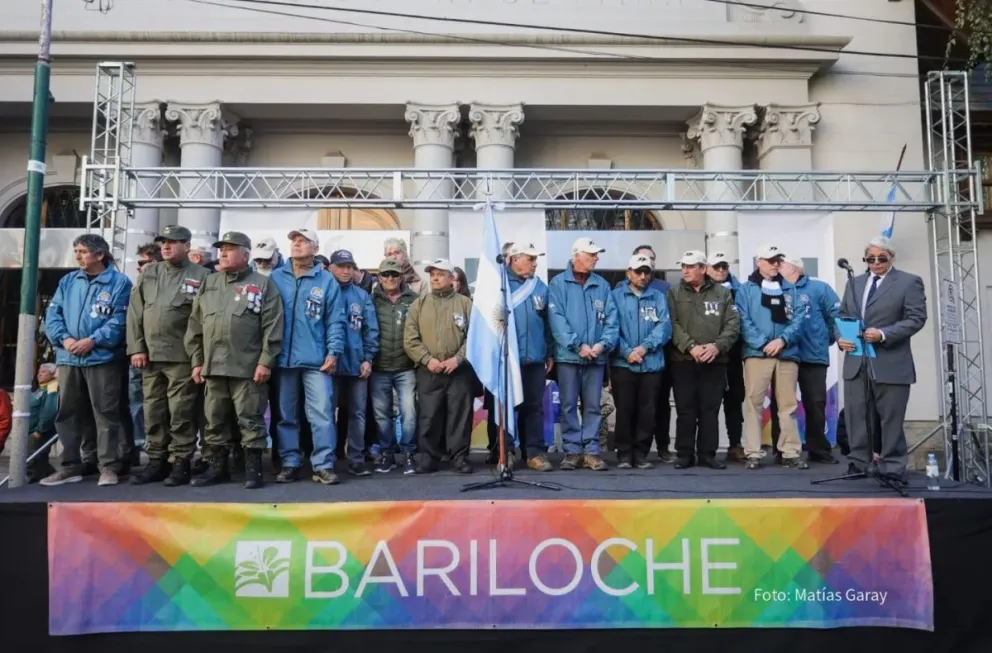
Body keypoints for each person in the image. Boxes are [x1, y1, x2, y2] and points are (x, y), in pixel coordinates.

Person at [184, 231, 284, 489]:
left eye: (230, 248)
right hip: (214, 366)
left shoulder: (263, 285)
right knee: (214, 419)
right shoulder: (210, 282)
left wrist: (265, 361)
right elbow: (196, 324)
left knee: (250, 419)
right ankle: (218, 468)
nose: (223, 253)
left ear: (246, 254)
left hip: (247, 367)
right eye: (221, 249)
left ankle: (253, 470)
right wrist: (197, 361)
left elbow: (272, 326)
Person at [40, 234, 133, 487]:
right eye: (76, 251)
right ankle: (70, 465)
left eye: (82, 251)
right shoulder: (68, 281)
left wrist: (93, 340)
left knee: (106, 413)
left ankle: (109, 467)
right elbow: (53, 314)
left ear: (99, 254)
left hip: (102, 358)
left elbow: (120, 320)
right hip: (69, 358)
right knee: (68, 413)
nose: (78, 256)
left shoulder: (119, 282)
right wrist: (65, 339)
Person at [837, 236, 927, 484]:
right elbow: (842, 316)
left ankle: (891, 467)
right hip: (857, 361)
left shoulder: (909, 282)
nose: (875, 263)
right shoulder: (854, 283)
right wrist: (840, 337)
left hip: (891, 361)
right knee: (857, 416)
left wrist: (884, 334)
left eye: (881, 258)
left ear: (891, 258)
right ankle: (859, 462)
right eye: (870, 259)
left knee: (890, 418)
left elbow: (916, 318)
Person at [127, 226, 210, 486]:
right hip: (151, 355)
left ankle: (181, 461)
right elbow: (135, 313)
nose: (166, 246)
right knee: (153, 410)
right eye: (163, 242)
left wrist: (198, 359)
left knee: (181, 412)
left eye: (173, 242)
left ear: (187, 245)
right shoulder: (150, 273)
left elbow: (205, 321)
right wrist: (136, 347)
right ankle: (156, 460)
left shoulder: (203, 276)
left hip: (182, 356)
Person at [271, 229, 345, 485]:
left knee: (322, 414)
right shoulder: (276, 277)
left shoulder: (326, 281)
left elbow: (336, 320)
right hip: (283, 360)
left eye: (303, 241)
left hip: (316, 361)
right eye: (294, 241)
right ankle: (290, 462)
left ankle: (323, 465)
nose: (297, 245)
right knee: (285, 415)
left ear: (315, 248)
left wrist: (333, 352)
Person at [548, 237, 619, 472]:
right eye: (591, 254)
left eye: (596, 254)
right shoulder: (558, 284)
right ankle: (572, 451)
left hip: (595, 357)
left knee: (593, 406)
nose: (596, 258)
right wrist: (578, 345)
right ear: (577, 255)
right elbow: (556, 321)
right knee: (568, 405)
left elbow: (612, 320)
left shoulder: (602, 285)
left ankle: (592, 451)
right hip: (569, 357)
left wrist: (602, 345)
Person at [736, 245, 807, 470]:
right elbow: (742, 319)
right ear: (759, 262)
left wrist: (782, 340)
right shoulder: (746, 289)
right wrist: (762, 343)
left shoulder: (790, 288)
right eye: (771, 260)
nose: (775, 264)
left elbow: (799, 318)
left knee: (788, 404)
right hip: (757, 353)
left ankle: (790, 452)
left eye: (778, 260)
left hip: (787, 353)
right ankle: (753, 452)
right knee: (753, 403)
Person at [667, 250, 740, 469]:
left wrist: (717, 346)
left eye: (691, 266)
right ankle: (684, 454)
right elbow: (671, 323)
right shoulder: (673, 292)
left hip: (714, 361)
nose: (685, 270)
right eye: (683, 266)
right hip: (683, 360)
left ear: (703, 268)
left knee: (710, 409)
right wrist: (690, 346)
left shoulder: (722, 293)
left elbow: (733, 324)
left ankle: (708, 454)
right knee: (685, 410)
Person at [404, 258, 474, 474]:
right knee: (429, 415)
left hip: (459, 370)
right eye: (432, 274)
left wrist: (458, 359)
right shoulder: (419, 304)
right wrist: (428, 360)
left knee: (460, 415)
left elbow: (475, 337)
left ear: (452, 278)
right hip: (429, 370)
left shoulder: (465, 304)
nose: (435, 278)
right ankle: (428, 458)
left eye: (440, 274)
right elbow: (410, 339)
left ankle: (459, 457)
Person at [609, 254, 672, 469]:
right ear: (629, 273)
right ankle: (624, 454)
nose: (643, 276)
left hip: (651, 363)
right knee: (625, 410)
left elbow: (664, 327)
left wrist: (644, 347)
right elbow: (610, 327)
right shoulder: (615, 296)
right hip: (623, 364)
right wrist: (627, 351)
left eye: (647, 272)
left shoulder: (658, 297)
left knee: (648, 412)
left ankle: (641, 453)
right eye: (638, 272)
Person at [776, 257, 841, 464]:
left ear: (793, 268)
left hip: (813, 355)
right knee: (782, 403)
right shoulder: (775, 288)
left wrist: (827, 338)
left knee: (815, 402)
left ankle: (818, 449)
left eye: (781, 264)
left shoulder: (819, 288)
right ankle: (781, 450)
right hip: (785, 355)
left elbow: (836, 315)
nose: (777, 267)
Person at [328, 249, 379, 476]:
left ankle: (356, 459)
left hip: (357, 365)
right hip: (328, 366)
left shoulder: (361, 296)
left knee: (357, 414)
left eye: (350, 266)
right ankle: (327, 459)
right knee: (326, 414)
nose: (346, 271)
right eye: (341, 266)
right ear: (331, 268)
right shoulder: (325, 292)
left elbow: (371, 330)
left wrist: (368, 358)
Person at [503, 243, 554, 471]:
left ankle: (533, 453)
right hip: (506, 359)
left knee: (533, 407)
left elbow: (548, 323)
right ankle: (504, 451)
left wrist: (549, 351)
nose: (535, 263)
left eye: (535, 259)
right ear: (515, 259)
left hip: (534, 357)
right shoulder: (498, 284)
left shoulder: (540, 287)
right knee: (504, 408)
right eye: (530, 259)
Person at [369, 258, 420, 475]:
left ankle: (408, 453)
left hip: (406, 366)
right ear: (379, 277)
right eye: (386, 274)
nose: (390, 278)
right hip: (379, 366)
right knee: (382, 415)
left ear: (401, 277)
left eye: (394, 274)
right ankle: (387, 453)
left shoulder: (415, 300)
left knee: (409, 412)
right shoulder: (370, 300)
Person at [706, 251, 746, 462]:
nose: (721, 271)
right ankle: (707, 448)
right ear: (707, 269)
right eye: (716, 267)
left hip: (733, 353)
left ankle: (735, 444)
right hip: (709, 354)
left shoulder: (740, 290)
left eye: (724, 267)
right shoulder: (701, 290)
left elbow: (742, 321)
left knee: (734, 400)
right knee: (709, 403)